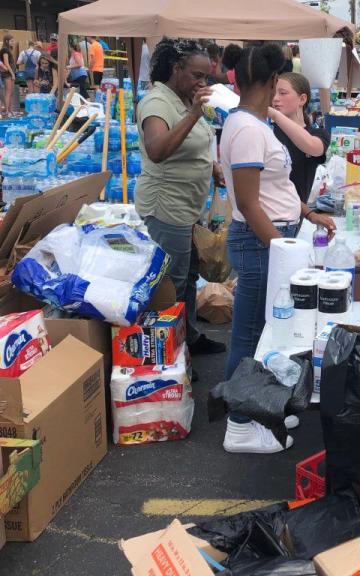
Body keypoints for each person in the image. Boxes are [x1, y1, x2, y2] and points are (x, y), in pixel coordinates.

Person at [219, 43, 336, 454]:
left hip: (272, 237)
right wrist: (283, 247)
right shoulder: (249, 129)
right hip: (260, 243)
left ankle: (258, 409)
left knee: (267, 332)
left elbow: (276, 189)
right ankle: (239, 425)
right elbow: (250, 203)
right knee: (251, 335)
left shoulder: (251, 123)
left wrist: (307, 213)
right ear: (270, 83)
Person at [136, 38, 228, 370]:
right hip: (166, 208)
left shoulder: (181, 97)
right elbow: (158, 149)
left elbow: (196, 143)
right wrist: (193, 113)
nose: (202, 83)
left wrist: (212, 166)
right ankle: (169, 357)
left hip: (188, 207)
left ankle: (188, 336)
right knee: (170, 284)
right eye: (196, 75)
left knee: (187, 276)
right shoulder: (157, 102)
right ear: (176, 69)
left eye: (206, 77)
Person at [270, 72, 330, 204]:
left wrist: (275, 115)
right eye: (273, 93)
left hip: (295, 214)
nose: (275, 98)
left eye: (282, 93)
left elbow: (314, 147)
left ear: (302, 99)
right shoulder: (268, 130)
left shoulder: (318, 133)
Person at [0, 34, 18, 117]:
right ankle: (7, 110)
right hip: (7, 74)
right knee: (8, 92)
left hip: (10, 73)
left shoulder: (8, 50)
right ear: (6, 41)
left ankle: (10, 109)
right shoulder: (5, 50)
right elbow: (6, 63)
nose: (13, 42)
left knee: (11, 92)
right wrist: (12, 73)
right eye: (11, 41)